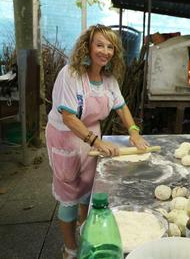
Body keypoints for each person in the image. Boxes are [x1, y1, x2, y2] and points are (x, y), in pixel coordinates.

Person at [45, 24, 149, 259]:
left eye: (110, 46)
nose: (105, 51)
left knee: (88, 191)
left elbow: (121, 108)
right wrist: (96, 142)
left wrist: (133, 131)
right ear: (88, 46)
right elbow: (69, 117)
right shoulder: (70, 74)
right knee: (70, 195)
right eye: (99, 44)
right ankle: (70, 249)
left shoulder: (109, 79)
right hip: (66, 138)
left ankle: (86, 233)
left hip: (91, 137)